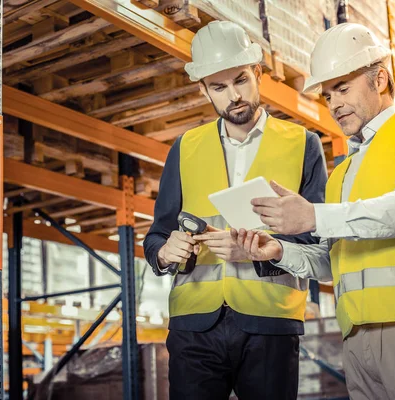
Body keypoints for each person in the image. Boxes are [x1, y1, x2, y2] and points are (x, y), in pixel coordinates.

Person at [233, 22, 395, 400]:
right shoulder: (343, 171)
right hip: (358, 338)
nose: (334, 104)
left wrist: (313, 216)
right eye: (328, 95)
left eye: (342, 88)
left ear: (380, 79)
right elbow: (339, 261)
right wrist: (280, 251)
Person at [143, 20, 329, 400]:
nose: (234, 96)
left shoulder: (303, 144)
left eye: (241, 80)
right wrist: (164, 252)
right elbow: (156, 235)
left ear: (258, 73)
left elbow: (316, 242)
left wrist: (260, 253)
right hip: (194, 326)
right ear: (203, 89)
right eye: (219, 87)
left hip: (270, 322)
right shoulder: (185, 148)